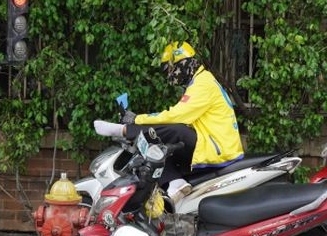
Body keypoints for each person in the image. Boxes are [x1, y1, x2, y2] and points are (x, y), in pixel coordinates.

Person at [94, 42, 244, 202]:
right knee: (159, 148)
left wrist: (136, 119)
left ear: (182, 64)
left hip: (219, 149)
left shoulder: (203, 83)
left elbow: (176, 116)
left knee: (176, 130)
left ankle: (124, 130)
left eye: (170, 70)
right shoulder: (200, 80)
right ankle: (175, 183)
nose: (169, 75)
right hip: (214, 144)